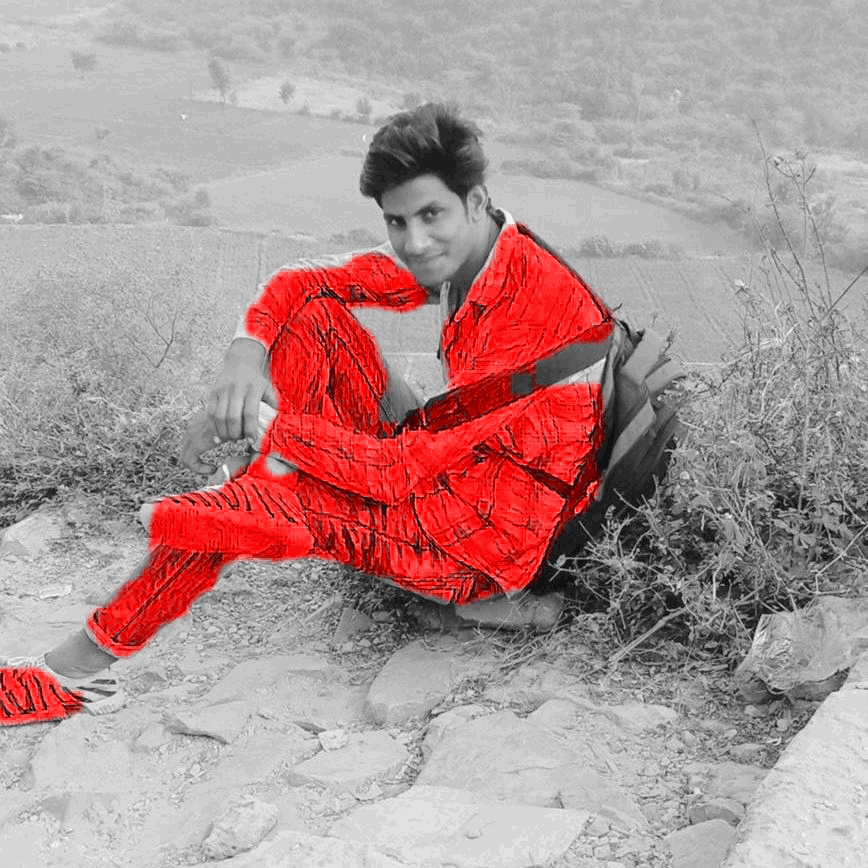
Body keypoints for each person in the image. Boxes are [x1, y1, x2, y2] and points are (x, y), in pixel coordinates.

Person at [0, 102, 615, 727]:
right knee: (309, 319)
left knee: (233, 509)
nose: (414, 242)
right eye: (397, 221)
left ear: (476, 201)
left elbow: (392, 475)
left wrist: (261, 426)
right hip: (457, 473)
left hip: (482, 539)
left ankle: (76, 671)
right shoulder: (482, 252)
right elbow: (301, 281)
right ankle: (260, 480)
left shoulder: (530, 312)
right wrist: (243, 359)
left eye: (431, 215)